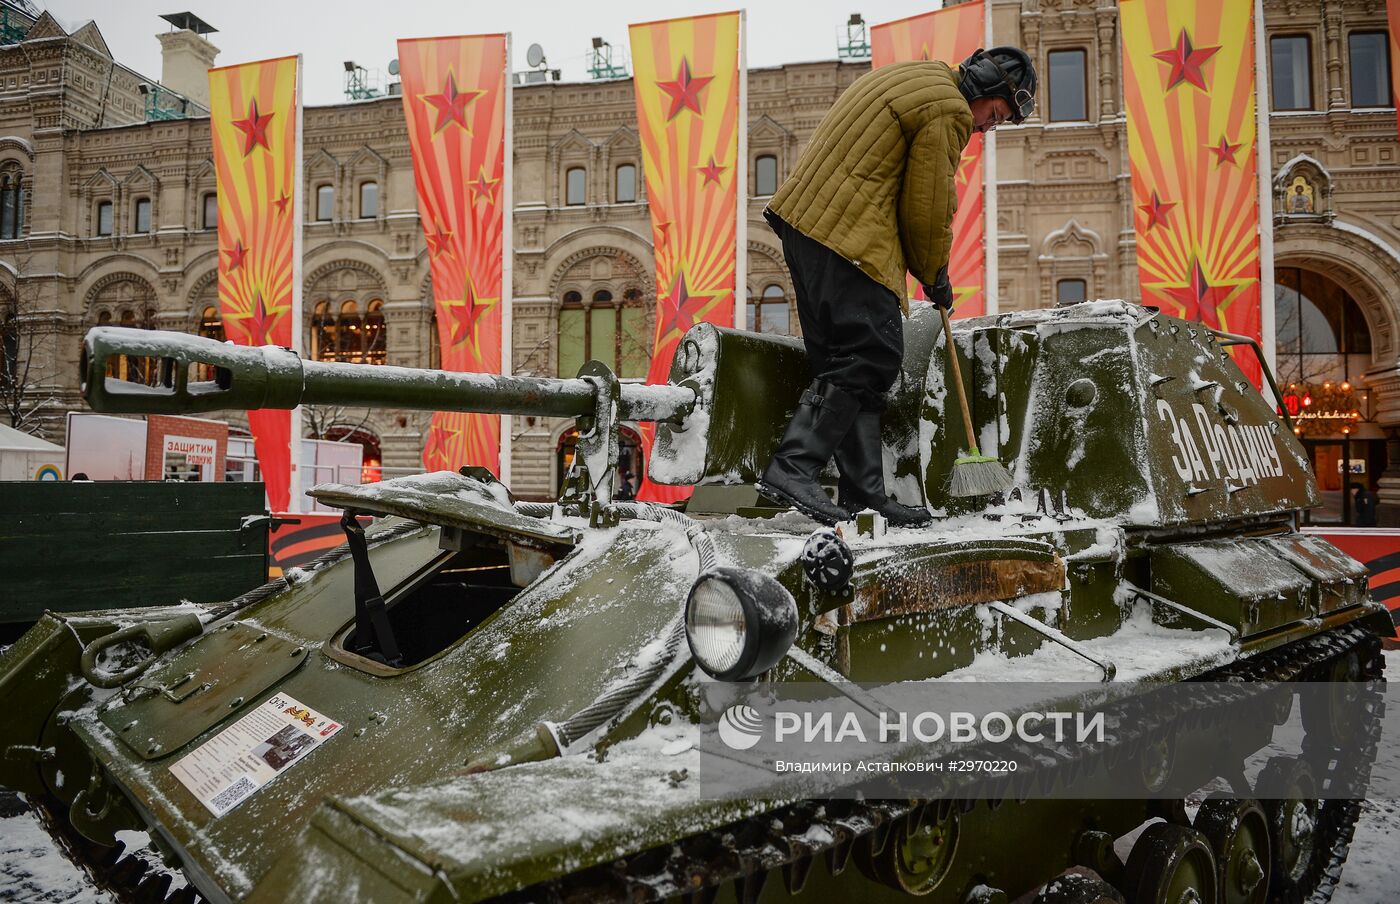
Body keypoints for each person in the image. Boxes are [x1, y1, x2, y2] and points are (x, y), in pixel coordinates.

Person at [758, 47, 1037, 526]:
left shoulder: (916, 77)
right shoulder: (948, 109)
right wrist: (936, 274)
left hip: (805, 227)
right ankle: (794, 466)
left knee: (842, 360)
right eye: (993, 116)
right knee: (874, 354)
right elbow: (926, 205)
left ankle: (864, 493)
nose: (984, 129)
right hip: (850, 235)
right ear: (985, 86)